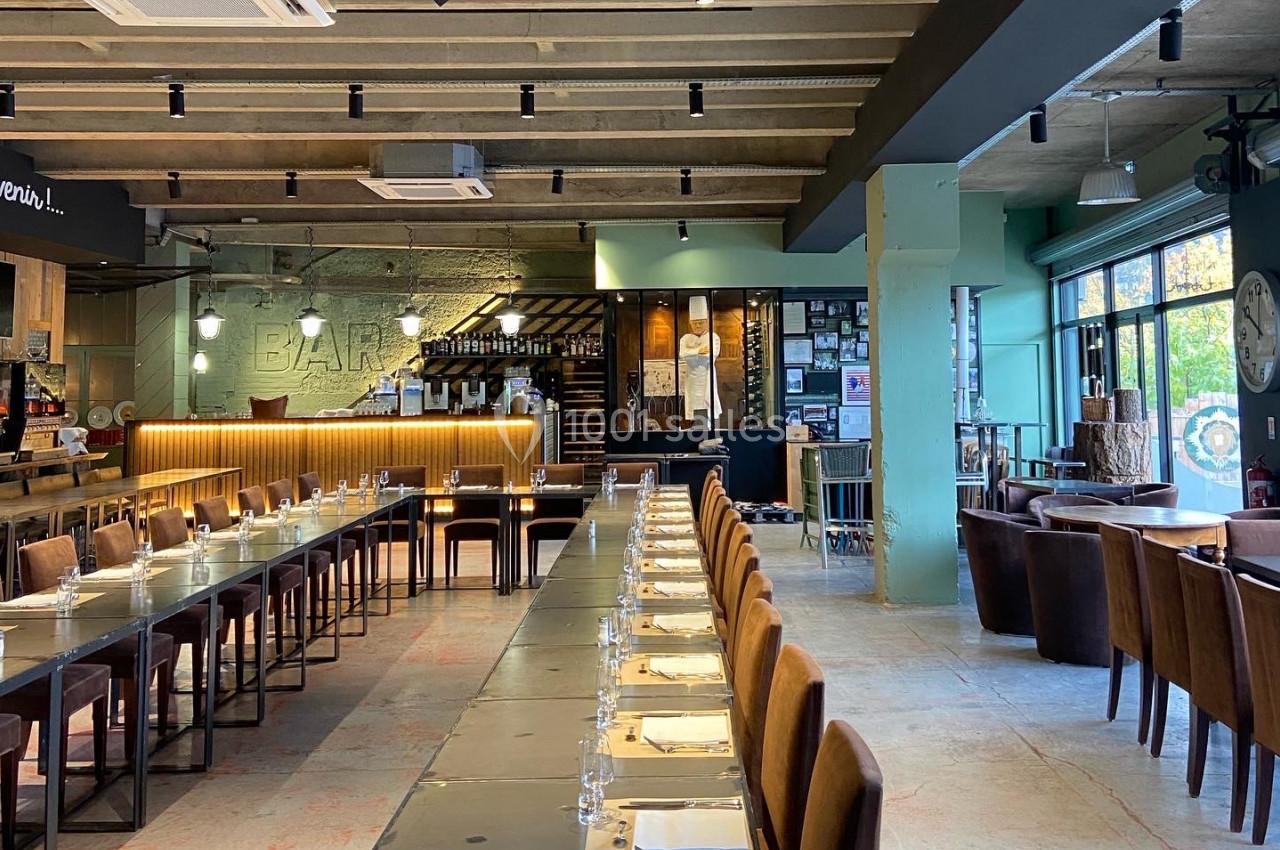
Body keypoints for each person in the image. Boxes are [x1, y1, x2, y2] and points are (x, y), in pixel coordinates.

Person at [678, 296, 721, 421]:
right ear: (690, 323)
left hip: (707, 376)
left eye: (701, 322)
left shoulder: (713, 337)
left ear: (706, 322)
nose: (697, 325)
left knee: (708, 405)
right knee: (694, 408)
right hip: (691, 378)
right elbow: (682, 354)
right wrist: (698, 351)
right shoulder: (685, 338)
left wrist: (691, 354)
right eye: (695, 323)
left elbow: (709, 357)